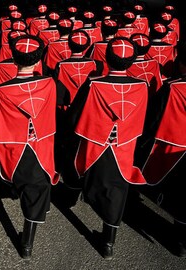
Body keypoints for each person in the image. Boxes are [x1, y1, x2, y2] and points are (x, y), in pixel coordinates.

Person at [70, 37, 148, 260]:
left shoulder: (94, 83)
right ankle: (108, 242)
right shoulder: (141, 85)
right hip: (124, 145)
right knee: (117, 190)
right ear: (131, 62)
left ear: (106, 58)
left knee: (93, 181)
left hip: (96, 143)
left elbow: (76, 115)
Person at [0, 34, 60, 259]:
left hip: (15, 149)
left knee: (19, 180)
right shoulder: (49, 83)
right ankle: (28, 243)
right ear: (38, 60)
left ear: (14, 59)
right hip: (40, 145)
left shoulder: (2, 90)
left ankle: (27, 241)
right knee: (37, 191)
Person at [141, 40, 186, 258]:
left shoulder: (171, 88)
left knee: (179, 195)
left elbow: (154, 119)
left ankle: (179, 240)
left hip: (174, 147)